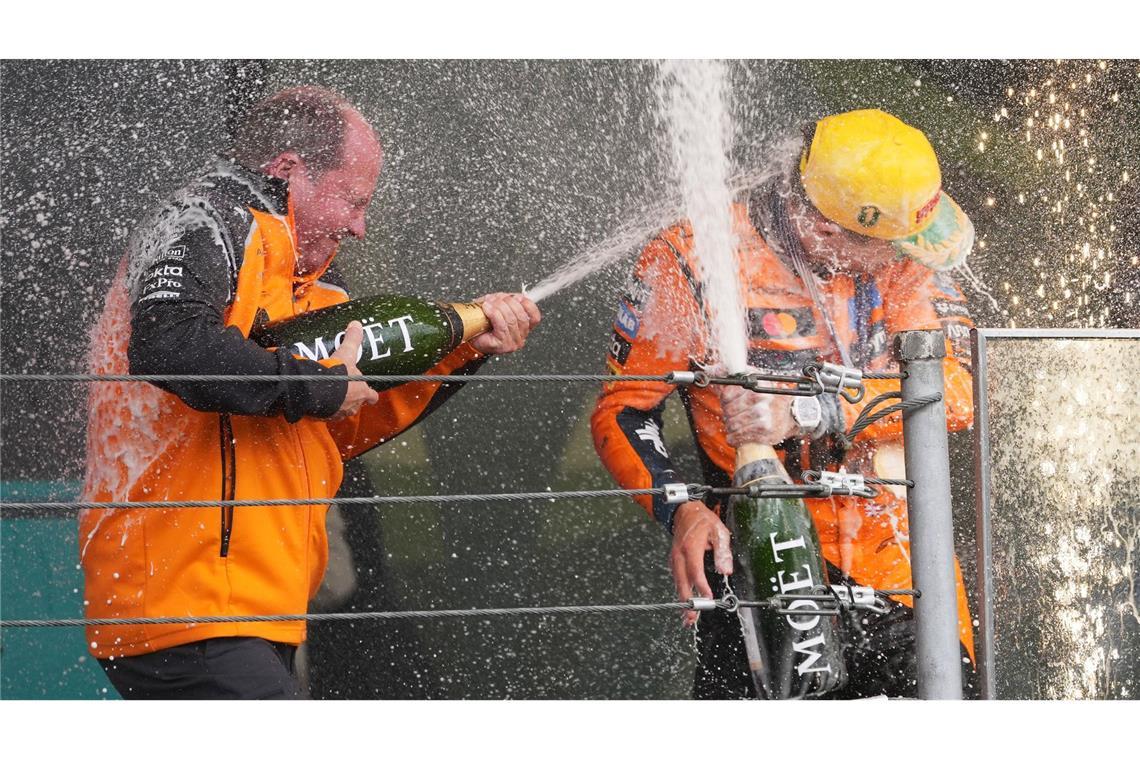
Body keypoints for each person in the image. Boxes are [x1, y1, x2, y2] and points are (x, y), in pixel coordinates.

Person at [80, 86, 541, 699]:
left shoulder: (317, 281)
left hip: (260, 608)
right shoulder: (199, 220)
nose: (360, 225)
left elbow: (341, 424)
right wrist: (317, 386)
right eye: (352, 200)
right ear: (289, 170)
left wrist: (460, 355)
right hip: (178, 604)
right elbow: (169, 346)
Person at [591, 109, 977, 699]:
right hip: (756, 562)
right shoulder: (693, 256)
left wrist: (809, 408)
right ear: (828, 230)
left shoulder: (910, 266)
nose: (909, 254)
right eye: (892, 243)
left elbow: (954, 395)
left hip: (903, 570)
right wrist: (682, 510)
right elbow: (624, 408)